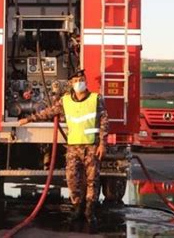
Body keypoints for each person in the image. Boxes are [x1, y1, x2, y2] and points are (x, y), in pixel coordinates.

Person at [18, 69, 108, 223]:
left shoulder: (96, 98)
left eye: (81, 79)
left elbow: (104, 121)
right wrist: (29, 119)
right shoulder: (65, 101)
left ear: (85, 81)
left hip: (91, 146)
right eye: (75, 81)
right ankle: (77, 208)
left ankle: (89, 211)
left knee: (93, 180)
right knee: (72, 179)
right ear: (70, 84)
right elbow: (48, 112)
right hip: (73, 147)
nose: (79, 82)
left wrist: (102, 144)